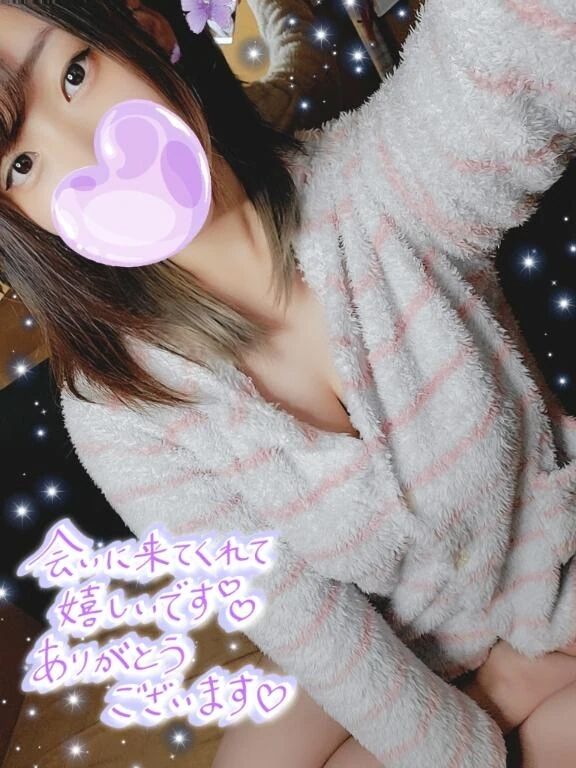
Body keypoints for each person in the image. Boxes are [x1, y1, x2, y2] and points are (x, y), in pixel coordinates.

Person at [2, 1, 576, 766]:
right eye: (20, 166)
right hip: (418, 630)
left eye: (75, 73)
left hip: (554, 568)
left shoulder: (381, 182)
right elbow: (303, 619)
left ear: (148, 34)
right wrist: (483, 722)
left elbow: (508, 45)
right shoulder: (119, 408)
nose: (88, 158)